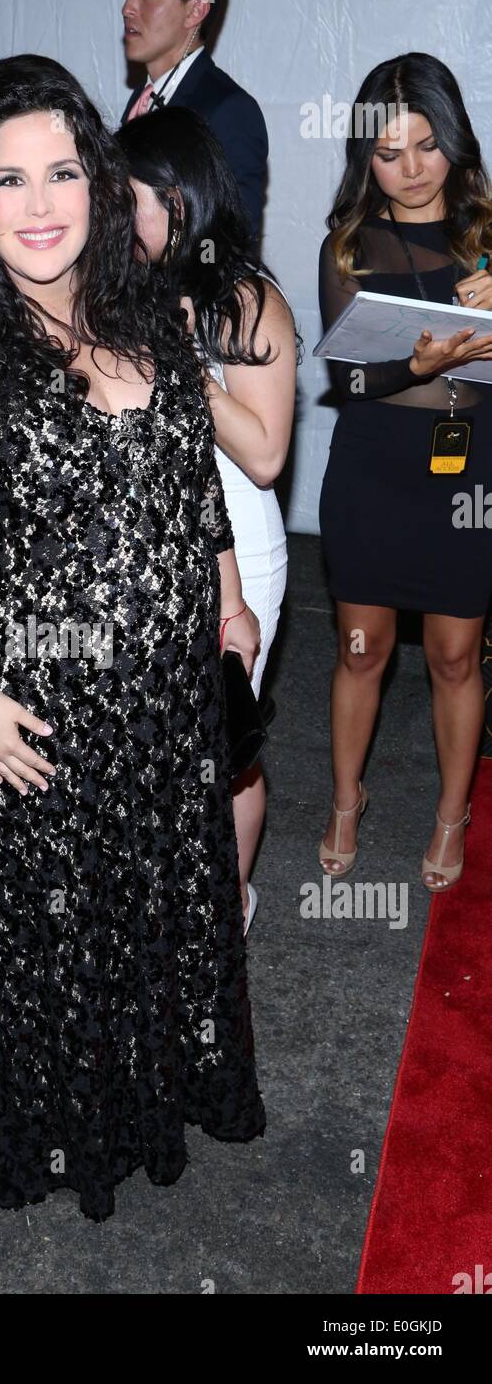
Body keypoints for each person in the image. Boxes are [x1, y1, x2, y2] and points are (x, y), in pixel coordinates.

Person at [0, 53, 265, 1221]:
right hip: (42, 730)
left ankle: (154, 1091)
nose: (39, 204)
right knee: (55, 946)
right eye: (8, 180)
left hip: (163, 711)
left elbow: (191, 485)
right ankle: (64, 1137)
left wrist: (231, 602)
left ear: (99, 187)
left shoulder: (147, 313)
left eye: (60, 173)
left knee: (155, 916)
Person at [117, 105, 297, 934]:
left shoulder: (248, 300)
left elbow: (263, 456)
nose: (112, 221)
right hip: (154, 548)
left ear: (177, 204)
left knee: (223, 750)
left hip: (240, 555)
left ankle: (229, 910)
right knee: (159, 754)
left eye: (130, 204)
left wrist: (188, 369)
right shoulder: (130, 289)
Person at [317, 52, 492, 890]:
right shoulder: (348, 244)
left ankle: (451, 815)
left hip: (468, 479)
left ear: (453, 140)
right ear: (365, 157)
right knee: (362, 651)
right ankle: (347, 799)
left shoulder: (489, 238)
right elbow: (347, 378)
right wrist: (416, 367)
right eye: (389, 153)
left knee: (458, 658)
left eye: (427, 145)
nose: (412, 169)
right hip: (375, 469)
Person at [120, 0, 268, 239]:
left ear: (196, 10)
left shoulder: (229, 111)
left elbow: (231, 248)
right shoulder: (140, 100)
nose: (128, 8)